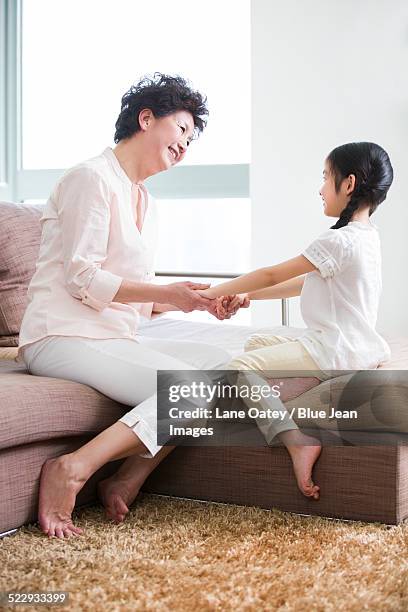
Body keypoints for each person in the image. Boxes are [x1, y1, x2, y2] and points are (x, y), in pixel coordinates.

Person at [17, 73, 249, 539]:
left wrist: (197, 304)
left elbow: (135, 301)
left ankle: (127, 477)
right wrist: (168, 293)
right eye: (181, 129)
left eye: (191, 138)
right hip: (61, 334)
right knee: (191, 389)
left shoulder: (146, 200)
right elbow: (82, 278)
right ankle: (73, 468)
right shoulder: (91, 178)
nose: (186, 145)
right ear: (145, 118)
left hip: (112, 336)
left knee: (228, 367)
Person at [196, 141, 394, 498]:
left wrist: (209, 294)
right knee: (257, 343)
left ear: (348, 184)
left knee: (240, 366)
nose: (320, 189)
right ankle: (279, 399)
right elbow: (303, 283)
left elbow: (272, 274)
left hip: (335, 351)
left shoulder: (340, 240)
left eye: (325, 178)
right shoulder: (366, 237)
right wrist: (246, 297)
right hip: (354, 345)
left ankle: (295, 441)